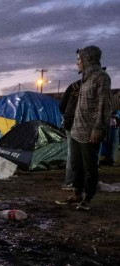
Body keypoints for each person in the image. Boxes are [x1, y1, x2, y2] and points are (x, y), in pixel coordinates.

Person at [56, 46, 111, 211]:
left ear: (88, 60)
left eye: (79, 60)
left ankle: (88, 198)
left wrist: (98, 128)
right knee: (76, 165)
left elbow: (104, 104)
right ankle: (76, 193)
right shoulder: (85, 79)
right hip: (76, 129)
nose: (77, 63)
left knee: (90, 166)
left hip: (90, 131)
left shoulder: (101, 78)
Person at [58, 79, 81, 190]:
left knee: (71, 153)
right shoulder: (96, 85)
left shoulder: (74, 86)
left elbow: (62, 107)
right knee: (87, 154)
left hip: (70, 123)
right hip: (84, 124)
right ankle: (81, 182)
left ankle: (70, 182)